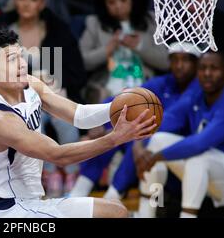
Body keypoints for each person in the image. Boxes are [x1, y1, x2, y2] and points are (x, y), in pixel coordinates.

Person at [0, 28, 157, 218]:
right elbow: (58, 155)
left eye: (21, 56)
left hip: (34, 203)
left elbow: (79, 115)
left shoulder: (30, 85)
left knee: (116, 211)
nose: (22, 64)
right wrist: (114, 139)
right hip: (11, 211)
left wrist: (119, 106)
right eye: (12, 60)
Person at [0, 0, 87, 197]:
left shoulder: (59, 30)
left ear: (42, 3)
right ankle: (48, 174)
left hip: (54, 95)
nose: (27, 3)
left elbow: (78, 73)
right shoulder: (0, 31)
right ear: (14, 0)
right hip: (16, 100)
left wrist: (53, 80)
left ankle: (72, 174)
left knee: (66, 123)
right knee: (34, 121)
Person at [70, 42, 200, 199]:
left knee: (136, 134)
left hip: (179, 153)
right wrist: (97, 121)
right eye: (175, 60)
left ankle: (113, 196)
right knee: (114, 135)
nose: (179, 65)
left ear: (196, 63)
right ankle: (79, 191)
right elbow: (126, 98)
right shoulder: (163, 82)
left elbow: (171, 119)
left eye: (185, 60)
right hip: (147, 149)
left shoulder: (199, 89)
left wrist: (138, 139)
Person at [136, 51, 224, 218]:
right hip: (207, 175)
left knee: (197, 159)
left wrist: (157, 157)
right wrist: (138, 145)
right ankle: (150, 209)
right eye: (202, 68)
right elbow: (165, 121)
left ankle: (187, 216)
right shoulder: (197, 95)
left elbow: (199, 144)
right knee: (156, 141)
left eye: (214, 68)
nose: (207, 73)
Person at [79, 0, 169, 103]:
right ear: (104, 4)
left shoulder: (150, 21)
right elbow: (82, 61)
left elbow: (165, 61)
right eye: (112, 2)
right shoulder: (94, 23)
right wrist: (107, 50)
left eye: (123, 0)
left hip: (144, 87)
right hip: (107, 90)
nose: (118, 6)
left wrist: (139, 47)